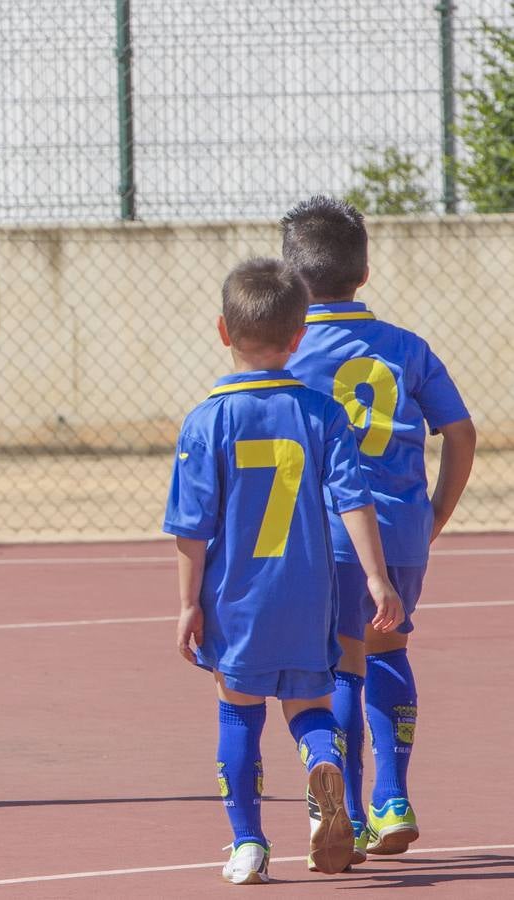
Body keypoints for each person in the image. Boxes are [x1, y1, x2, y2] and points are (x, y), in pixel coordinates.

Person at [163, 257, 403, 884]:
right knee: (310, 704)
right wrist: (377, 580)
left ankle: (248, 843)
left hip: (237, 597)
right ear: (299, 337)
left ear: (223, 331)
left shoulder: (207, 419)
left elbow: (192, 528)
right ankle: (321, 760)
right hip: (309, 591)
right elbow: (354, 500)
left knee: (239, 710)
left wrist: (189, 603)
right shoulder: (324, 414)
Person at [282, 196, 476, 858]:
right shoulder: (405, 347)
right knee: (389, 649)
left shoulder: (290, 352)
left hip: (326, 535)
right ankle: (392, 797)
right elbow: (460, 431)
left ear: (290, 279)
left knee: (340, 663)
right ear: (362, 274)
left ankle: (353, 815)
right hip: (399, 531)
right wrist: (434, 515)